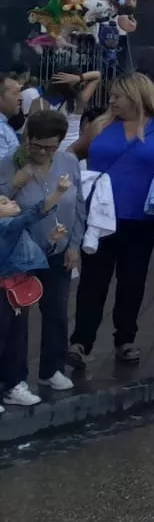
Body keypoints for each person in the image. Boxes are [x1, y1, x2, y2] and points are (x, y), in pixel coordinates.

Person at [68, 73, 154, 367]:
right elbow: (72, 154)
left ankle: (125, 338)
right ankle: (81, 341)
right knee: (93, 279)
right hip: (98, 217)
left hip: (143, 217)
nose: (111, 101)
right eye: (111, 96)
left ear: (136, 96)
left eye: (117, 96)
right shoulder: (101, 126)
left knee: (133, 278)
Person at [2, 109, 82, 393]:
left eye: (51, 147)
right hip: (20, 256)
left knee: (57, 312)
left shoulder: (68, 161)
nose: (44, 152)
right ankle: (15, 379)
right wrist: (16, 182)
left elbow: (79, 203)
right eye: (37, 146)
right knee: (17, 320)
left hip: (58, 249)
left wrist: (74, 244)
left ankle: (52, 369)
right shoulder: (8, 164)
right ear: (27, 139)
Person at [0, 172, 74, 408]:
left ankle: (14, 385)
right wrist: (59, 192)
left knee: (17, 339)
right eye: (4, 203)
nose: (12, 202)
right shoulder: (6, 226)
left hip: (17, 291)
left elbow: (31, 254)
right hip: (4, 292)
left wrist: (51, 239)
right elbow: (34, 213)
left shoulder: (15, 229)